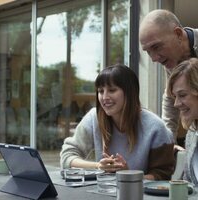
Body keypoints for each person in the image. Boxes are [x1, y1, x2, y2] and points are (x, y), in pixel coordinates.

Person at [60, 64, 175, 180]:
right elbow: (67, 157)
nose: (104, 97)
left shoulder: (155, 127)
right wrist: (98, 166)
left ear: (130, 92)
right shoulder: (93, 118)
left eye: (112, 90)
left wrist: (128, 175)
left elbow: (163, 176)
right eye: (100, 91)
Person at [139, 9, 198, 145]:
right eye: (148, 52)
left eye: (157, 47)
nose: (153, 58)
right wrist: (168, 142)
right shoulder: (173, 59)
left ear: (178, 34)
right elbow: (170, 98)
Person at [167, 58, 198, 185]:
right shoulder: (192, 133)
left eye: (182, 95)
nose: (176, 104)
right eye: (175, 97)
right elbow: (188, 187)